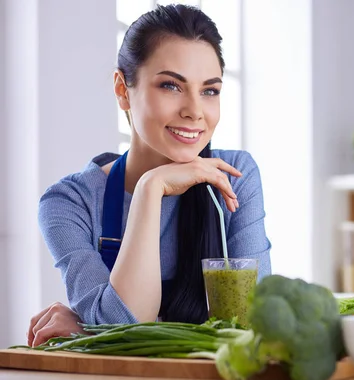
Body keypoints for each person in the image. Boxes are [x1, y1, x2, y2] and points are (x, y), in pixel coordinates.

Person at [26, 4, 272, 347]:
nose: (194, 111)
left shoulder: (235, 178)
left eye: (209, 90)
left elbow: (250, 325)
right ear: (123, 90)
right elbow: (124, 322)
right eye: (171, 86)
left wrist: (89, 329)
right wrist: (150, 188)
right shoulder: (70, 203)